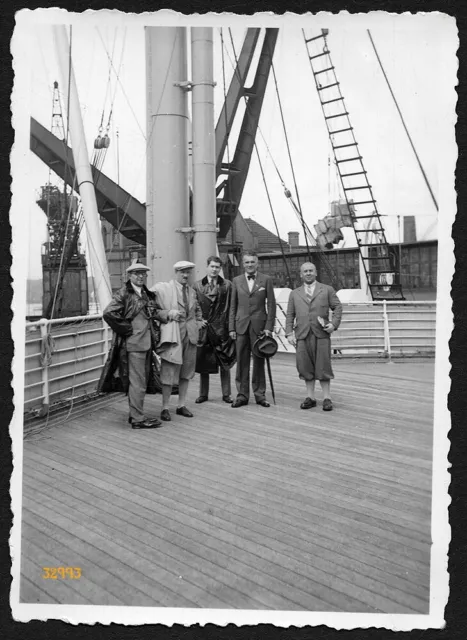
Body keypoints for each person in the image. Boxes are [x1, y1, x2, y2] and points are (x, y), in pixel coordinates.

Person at [98, 259, 165, 429]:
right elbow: (108, 313)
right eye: (137, 274)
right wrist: (127, 329)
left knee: (139, 381)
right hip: (135, 344)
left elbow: (153, 312)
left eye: (143, 273)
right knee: (138, 382)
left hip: (146, 343)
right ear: (130, 276)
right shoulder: (124, 293)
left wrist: (168, 314)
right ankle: (137, 419)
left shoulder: (145, 293)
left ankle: (135, 414)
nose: (141, 276)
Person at [151, 261, 205, 422]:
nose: (185, 275)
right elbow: (153, 308)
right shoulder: (165, 289)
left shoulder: (192, 291)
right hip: (173, 335)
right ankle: (165, 407)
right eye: (182, 272)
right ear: (176, 272)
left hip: (190, 335)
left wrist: (199, 321)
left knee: (186, 372)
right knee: (168, 371)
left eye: (188, 272)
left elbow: (196, 310)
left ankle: (181, 405)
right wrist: (168, 313)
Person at [285, 262, 343, 411]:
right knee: (305, 366)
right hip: (302, 334)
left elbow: (337, 306)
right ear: (301, 274)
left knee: (323, 365)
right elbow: (290, 314)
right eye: (305, 271)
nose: (308, 273)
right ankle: (310, 397)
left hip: (321, 334)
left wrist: (334, 324)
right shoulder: (294, 293)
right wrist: (289, 333)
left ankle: (326, 398)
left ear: (316, 272)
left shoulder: (327, 290)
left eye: (311, 270)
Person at [229, 250, 276, 408]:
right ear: (243, 264)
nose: (250, 265)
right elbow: (232, 306)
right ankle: (242, 395)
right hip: (241, 325)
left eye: (252, 262)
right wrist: (231, 328)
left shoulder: (266, 280)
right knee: (241, 361)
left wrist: (269, 327)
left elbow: (271, 305)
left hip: (259, 327)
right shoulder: (236, 281)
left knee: (259, 360)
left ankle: (259, 394)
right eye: (247, 262)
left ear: (257, 263)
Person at [193, 255, 235, 404]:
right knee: (204, 361)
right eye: (212, 266)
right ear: (207, 267)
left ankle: (226, 394)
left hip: (221, 328)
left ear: (220, 269)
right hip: (205, 329)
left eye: (217, 267)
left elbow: (231, 308)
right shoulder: (197, 285)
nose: (214, 269)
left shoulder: (227, 285)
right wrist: (198, 320)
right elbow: (194, 305)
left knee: (225, 362)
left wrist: (230, 328)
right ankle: (203, 394)